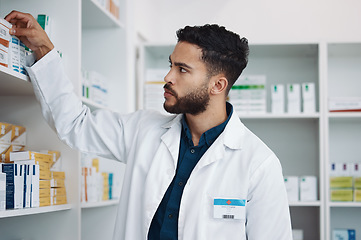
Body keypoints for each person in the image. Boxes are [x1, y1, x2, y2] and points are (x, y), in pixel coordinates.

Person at [5, 10, 293, 240]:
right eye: (171, 64)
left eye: (182, 69)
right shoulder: (144, 130)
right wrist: (43, 48)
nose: (168, 76)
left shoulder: (259, 164)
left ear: (217, 85)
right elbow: (75, 124)